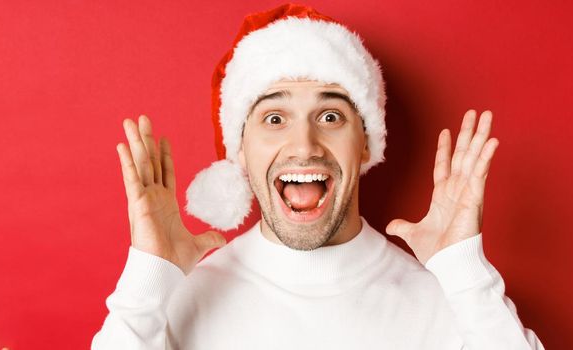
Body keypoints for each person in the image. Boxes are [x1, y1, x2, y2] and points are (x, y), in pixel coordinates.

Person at [92, 4, 544, 350]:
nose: (304, 145)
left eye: (330, 116)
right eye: (274, 119)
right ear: (241, 152)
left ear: (366, 144)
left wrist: (464, 271)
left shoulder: (449, 300)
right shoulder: (173, 299)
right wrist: (146, 277)